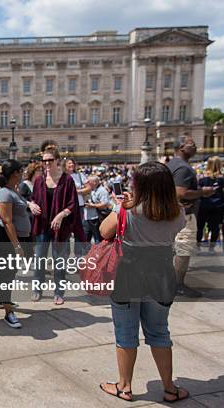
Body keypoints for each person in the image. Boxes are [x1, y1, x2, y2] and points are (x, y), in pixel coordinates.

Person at [98, 161, 188, 403]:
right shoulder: (177, 212)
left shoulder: (127, 211)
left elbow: (104, 231)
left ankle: (124, 386)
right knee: (159, 332)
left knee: (126, 333)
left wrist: (120, 207)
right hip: (161, 273)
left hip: (129, 274)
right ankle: (169, 388)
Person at [29, 146, 85, 305]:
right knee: (39, 259)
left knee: (59, 260)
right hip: (42, 225)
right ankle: (37, 289)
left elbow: (73, 204)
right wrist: (31, 205)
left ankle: (59, 292)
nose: (46, 163)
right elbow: (33, 198)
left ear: (58, 161)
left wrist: (61, 214)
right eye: (44, 160)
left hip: (60, 228)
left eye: (50, 160)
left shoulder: (67, 180)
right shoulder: (39, 180)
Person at [166, 136, 215, 297]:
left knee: (175, 248)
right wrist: (203, 192)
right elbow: (180, 193)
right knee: (183, 248)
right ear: (181, 147)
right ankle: (177, 284)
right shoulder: (184, 168)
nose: (195, 147)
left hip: (172, 213)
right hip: (184, 216)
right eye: (191, 144)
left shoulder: (171, 164)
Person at [0, 159, 31, 328]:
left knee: (7, 275)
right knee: (7, 275)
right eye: (21, 171)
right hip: (5, 240)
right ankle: (8, 313)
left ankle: (3, 301)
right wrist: (17, 246)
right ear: (14, 173)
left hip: (11, 239)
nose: (23, 173)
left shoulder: (13, 190)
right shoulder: (5, 193)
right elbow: (7, 222)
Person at [196, 156, 224, 251]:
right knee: (215, 228)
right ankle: (211, 248)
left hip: (203, 205)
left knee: (200, 226)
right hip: (218, 206)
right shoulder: (221, 179)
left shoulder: (202, 178)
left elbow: (198, 192)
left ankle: (198, 246)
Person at [83, 175, 110, 244]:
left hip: (96, 218)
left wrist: (93, 206)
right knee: (85, 238)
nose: (87, 182)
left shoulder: (102, 191)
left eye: (89, 181)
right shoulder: (89, 189)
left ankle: (99, 253)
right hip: (87, 217)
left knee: (98, 238)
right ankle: (86, 253)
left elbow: (105, 204)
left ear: (94, 182)